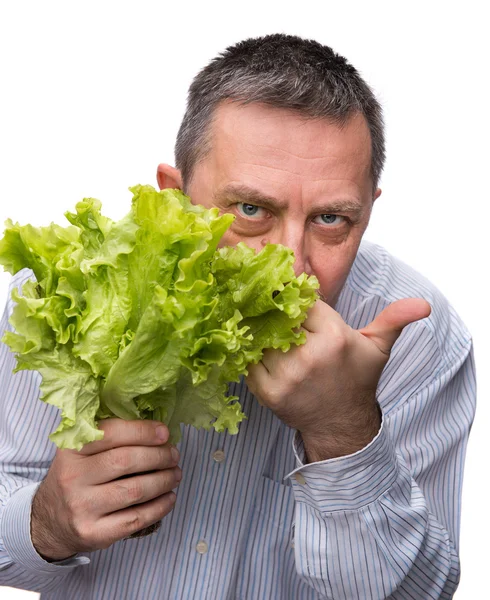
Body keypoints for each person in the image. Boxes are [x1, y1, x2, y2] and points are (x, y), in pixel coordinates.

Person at [0, 34, 475, 599]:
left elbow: (420, 595)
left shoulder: (419, 338)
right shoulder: (69, 293)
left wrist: (342, 431)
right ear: (176, 197)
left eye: (330, 220)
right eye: (251, 210)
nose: (292, 269)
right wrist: (45, 522)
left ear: (369, 210)